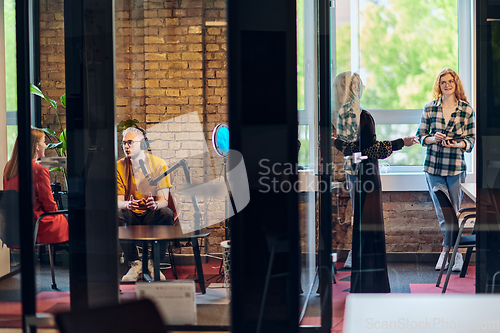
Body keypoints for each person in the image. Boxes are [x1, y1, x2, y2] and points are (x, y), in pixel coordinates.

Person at [333, 73, 418, 293]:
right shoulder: (363, 116)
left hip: (353, 174)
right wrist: (401, 142)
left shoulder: (339, 115)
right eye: (357, 85)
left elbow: (347, 148)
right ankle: (372, 284)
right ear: (352, 88)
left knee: (361, 227)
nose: (361, 88)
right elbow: (370, 150)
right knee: (370, 229)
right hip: (368, 175)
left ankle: (361, 283)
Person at [416, 68, 475, 272]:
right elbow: (421, 137)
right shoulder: (430, 108)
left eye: (451, 81)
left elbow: (471, 141)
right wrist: (435, 138)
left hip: (456, 167)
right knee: (443, 213)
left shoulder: (466, 110)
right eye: (443, 82)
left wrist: (457, 144)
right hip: (433, 167)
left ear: (456, 84)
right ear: (438, 85)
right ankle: (451, 252)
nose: (447, 85)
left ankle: (450, 251)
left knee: (455, 211)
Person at [117, 126, 174, 281]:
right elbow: (118, 202)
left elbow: (164, 200)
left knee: (166, 213)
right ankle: (135, 264)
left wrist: (155, 205)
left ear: (143, 144)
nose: (126, 146)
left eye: (130, 142)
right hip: (131, 214)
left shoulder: (159, 164)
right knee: (118, 215)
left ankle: (153, 264)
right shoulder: (119, 166)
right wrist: (127, 205)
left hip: (151, 213)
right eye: (124, 143)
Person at [3, 128, 69, 245]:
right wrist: (58, 213)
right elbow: (48, 203)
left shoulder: (9, 167)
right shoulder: (38, 168)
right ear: (37, 146)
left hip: (14, 226)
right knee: (69, 220)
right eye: (44, 142)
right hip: (35, 224)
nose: (45, 145)